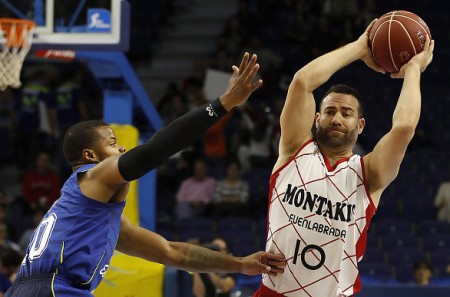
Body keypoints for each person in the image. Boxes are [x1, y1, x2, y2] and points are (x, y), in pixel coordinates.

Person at [6, 53, 286, 297]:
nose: (123, 147)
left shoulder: (92, 219)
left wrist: (239, 264)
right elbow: (157, 149)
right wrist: (222, 104)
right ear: (90, 156)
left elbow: (172, 253)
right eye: (113, 143)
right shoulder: (92, 175)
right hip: (56, 290)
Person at [254, 20, 434, 297]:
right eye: (329, 111)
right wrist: (361, 48)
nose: (336, 118)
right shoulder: (293, 150)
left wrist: (412, 70)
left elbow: (404, 128)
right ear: (317, 118)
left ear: (360, 125)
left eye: (346, 113)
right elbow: (302, 82)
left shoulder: (369, 174)